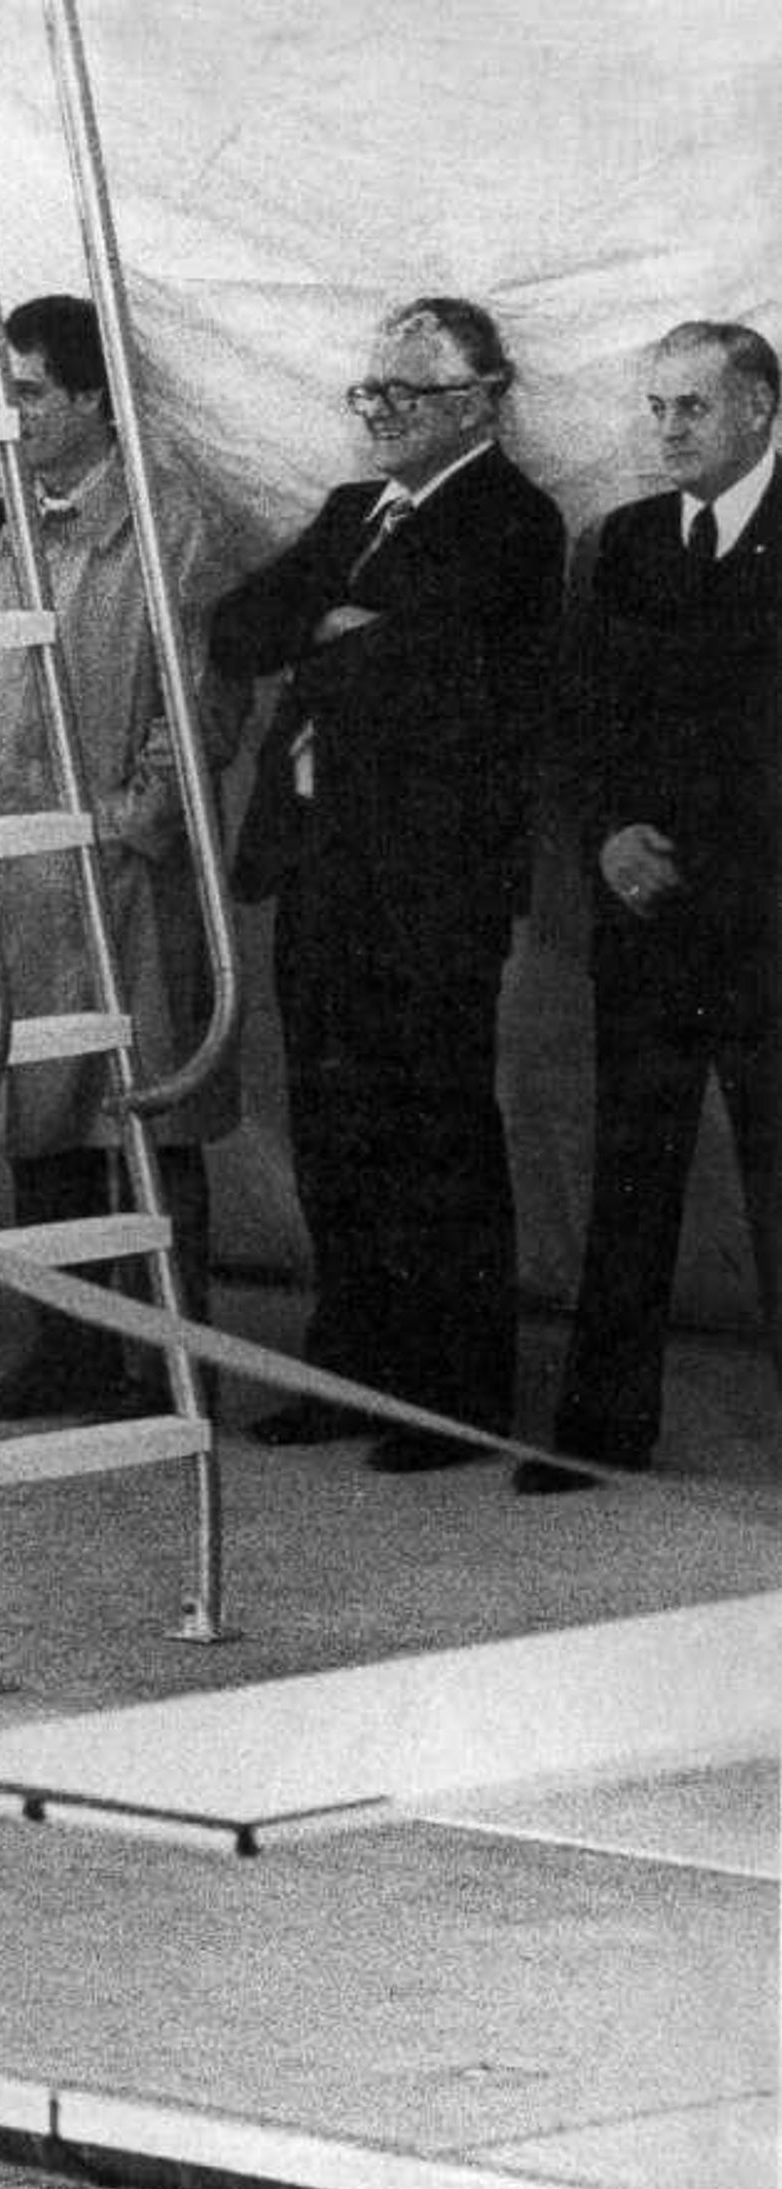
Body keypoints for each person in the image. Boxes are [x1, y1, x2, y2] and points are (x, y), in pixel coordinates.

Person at [212, 295, 564, 1470]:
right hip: (320, 867)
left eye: (405, 395)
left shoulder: (517, 522)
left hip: (431, 883)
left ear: (480, 403)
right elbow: (241, 630)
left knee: (435, 1126)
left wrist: (355, 636)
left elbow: (440, 683)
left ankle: (455, 1397)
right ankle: (354, 1368)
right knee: (332, 1119)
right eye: (371, 393)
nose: (379, 414)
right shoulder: (350, 511)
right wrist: (346, 621)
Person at [0, 293, 242, 1419]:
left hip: (117, 872)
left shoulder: (170, 528)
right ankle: (69, 1344)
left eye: (32, 389)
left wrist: (135, 819)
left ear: (95, 396)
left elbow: (198, 702)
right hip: (8, 871)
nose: (13, 410)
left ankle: (166, 1358)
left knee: (144, 1113)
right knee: (31, 1122)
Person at [522, 319, 780, 1492]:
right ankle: (602, 1427)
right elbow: (577, 720)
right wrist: (607, 838)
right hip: (648, 915)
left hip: (770, 927)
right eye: (658, 407)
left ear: (760, 412)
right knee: (632, 1175)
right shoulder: (623, 542)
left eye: (694, 408)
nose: (667, 430)